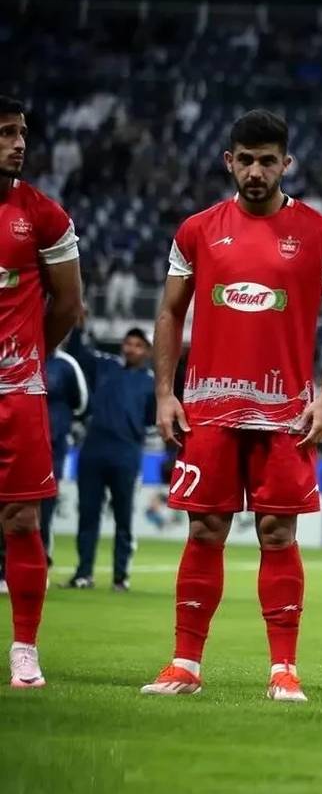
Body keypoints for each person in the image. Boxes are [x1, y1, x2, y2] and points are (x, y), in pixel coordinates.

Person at [138, 109, 322, 702]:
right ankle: (185, 664)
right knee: (205, 528)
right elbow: (169, 312)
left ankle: (284, 670)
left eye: (267, 161)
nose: (256, 171)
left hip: (285, 412)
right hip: (208, 408)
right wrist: (165, 393)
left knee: (278, 533)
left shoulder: (320, 233)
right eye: (245, 160)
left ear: (286, 163)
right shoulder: (197, 230)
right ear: (228, 161)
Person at [0, 95, 85, 688]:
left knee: (21, 516)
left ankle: (24, 649)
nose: (19, 144)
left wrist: (29, 356)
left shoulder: (44, 216)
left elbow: (69, 305)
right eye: (6, 133)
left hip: (16, 391)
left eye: (21, 132)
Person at [62, 323, 155, 591]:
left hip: (126, 453)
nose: (131, 348)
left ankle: (120, 577)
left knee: (124, 518)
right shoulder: (106, 366)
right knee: (88, 515)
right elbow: (78, 354)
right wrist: (78, 326)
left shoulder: (151, 382)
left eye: (138, 345)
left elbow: (151, 417)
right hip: (94, 450)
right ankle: (83, 574)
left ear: (147, 352)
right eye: (128, 343)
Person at [0, 346, 86, 590]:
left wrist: (58, 425)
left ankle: (41, 565)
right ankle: (5, 567)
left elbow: (81, 404)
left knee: (41, 508)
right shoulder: (12, 355)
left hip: (51, 448)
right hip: (13, 441)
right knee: (7, 505)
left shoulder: (66, 365)